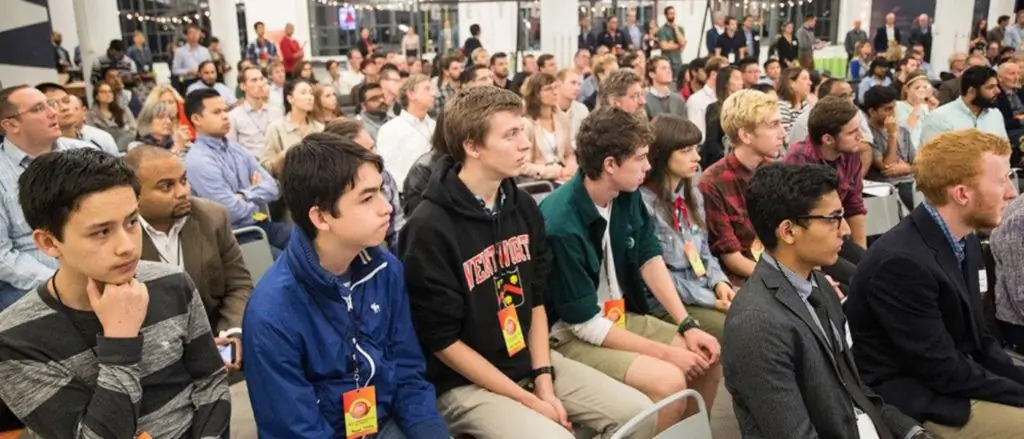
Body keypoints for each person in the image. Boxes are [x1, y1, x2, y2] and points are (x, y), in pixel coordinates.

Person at [397, 85, 654, 438]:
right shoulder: (429, 228)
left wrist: (543, 380)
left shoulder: (520, 206)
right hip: (463, 383)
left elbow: (534, 300)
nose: (524, 144)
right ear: (472, 146)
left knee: (640, 413)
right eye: (511, 134)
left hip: (528, 361)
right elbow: (443, 343)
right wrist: (528, 399)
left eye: (523, 130)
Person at [0, 147, 230, 438]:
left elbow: (210, 381)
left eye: (131, 222)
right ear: (48, 242)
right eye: (102, 232)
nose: (128, 247)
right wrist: (120, 342)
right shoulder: (16, 338)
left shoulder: (172, 282)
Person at [243, 133, 450, 439]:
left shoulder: (385, 269)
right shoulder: (271, 313)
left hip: (384, 421)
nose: (387, 208)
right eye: (367, 198)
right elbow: (295, 429)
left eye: (381, 191)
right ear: (322, 217)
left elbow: (408, 373)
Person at [541, 107, 723, 433]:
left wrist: (686, 323)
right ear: (610, 165)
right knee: (669, 380)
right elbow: (583, 325)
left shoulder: (625, 194)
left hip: (617, 316)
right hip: (570, 334)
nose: (648, 166)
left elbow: (648, 256)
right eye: (640, 158)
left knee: (706, 354)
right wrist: (667, 352)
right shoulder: (562, 222)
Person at [723, 161, 934, 439]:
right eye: (833, 218)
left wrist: (910, 432)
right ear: (788, 231)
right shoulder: (756, 325)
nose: (845, 230)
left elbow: (855, 392)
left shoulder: (818, 284)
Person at [846, 129, 1024, 438]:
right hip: (918, 398)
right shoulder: (902, 264)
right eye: (1001, 180)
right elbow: (941, 369)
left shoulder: (963, 239)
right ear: (962, 194)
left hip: (953, 379)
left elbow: (979, 342)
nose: (1011, 192)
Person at [124, 145, 251, 364]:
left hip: (215, 339)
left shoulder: (212, 217)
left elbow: (238, 284)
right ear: (133, 195)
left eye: (183, 180)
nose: (182, 192)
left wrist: (231, 332)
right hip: (153, 354)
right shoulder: (120, 237)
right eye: (166, 186)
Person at [0, 86, 100, 309]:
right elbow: (2, 255)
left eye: (50, 104)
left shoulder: (84, 153)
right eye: (38, 108)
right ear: (11, 124)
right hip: (32, 284)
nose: (53, 112)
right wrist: (61, 282)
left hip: (97, 262)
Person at [641, 115, 734, 339]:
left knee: (757, 314)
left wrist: (719, 282)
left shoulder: (692, 195)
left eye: (695, 148)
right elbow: (658, 274)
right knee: (736, 327)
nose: (697, 157)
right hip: (667, 301)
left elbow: (704, 252)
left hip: (702, 289)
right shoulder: (643, 203)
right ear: (661, 154)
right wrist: (710, 299)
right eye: (685, 151)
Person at [182, 88, 291, 253]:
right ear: (197, 119)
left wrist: (245, 194)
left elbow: (273, 189)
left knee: (311, 242)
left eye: (225, 110)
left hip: (259, 224)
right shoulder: (199, 160)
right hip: (234, 238)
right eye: (217, 112)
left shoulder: (235, 148)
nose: (226, 116)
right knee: (291, 264)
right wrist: (256, 195)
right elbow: (229, 212)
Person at [700, 90, 787, 285]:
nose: (783, 133)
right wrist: (787, 278)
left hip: (779, 266)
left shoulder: (776, 172)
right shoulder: (712, 183)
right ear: (746, 135)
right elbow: (733, 259)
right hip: (747, 280)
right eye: (774, 125)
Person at [324, 118, 402, 250]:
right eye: (364, 153)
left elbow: (397, 226)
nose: (375, 155)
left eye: (372, 147)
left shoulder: (384, 176)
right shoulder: (331, 188)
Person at [377, 74, 436, 191]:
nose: (434, 94)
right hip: (409, 194)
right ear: (411, 94)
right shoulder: (390, 129)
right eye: (427, 89)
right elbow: (389, 169)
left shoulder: (435, 125)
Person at [921, 66, 1008, 143]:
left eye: (997, 86)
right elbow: (930, 158)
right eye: (991, 87)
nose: (998, 91)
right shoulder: (939, 117)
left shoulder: (995, 114)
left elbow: (1004, 150)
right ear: (971, 91)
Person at [863, 86, 916, 208]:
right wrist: (892, 135)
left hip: (910, 182)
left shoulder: (903, 131)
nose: (892, 113)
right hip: (887, 188)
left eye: (893, 108)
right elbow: (887, 167)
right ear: (872, 111)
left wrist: (907, 169)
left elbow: (918, 163)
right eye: (887, 109)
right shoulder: (867, 135)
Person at [521, 73, 577, 182]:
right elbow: (523, 166)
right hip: (539, 181)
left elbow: (569, 153)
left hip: (564, 177)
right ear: (535, 94)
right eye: (548, 89)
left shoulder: (562, 119)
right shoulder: (526, 124)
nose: (555, 92)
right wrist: (556, 172)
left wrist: (570, 169)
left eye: (556, 87)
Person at [262, 79, 325, 176]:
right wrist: (281, 158)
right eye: (303, 93)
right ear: (290, 98)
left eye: (311, 93)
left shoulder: (320, 128)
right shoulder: (276, 128)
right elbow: (265, 168)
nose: (310, 97)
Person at [227, 66, 284, 158]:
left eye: (261, 79)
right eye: (254, 80)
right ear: (243, 86)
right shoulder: (233, 116)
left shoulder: (276, 112)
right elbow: (232, 151)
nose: (260, 84)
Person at [703, 66, 744, 168]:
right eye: (737, 78)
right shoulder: (715, 108)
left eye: (741, 78)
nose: (741, 82)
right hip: (721, 161)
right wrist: (728, 157)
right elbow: (711, 142)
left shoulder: (745, 107)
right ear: (726, 83)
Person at [895, 72, 937, 151]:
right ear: (906, 89)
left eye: (925, 87)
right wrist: (918, 104)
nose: (921, 91)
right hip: (908, 150)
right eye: (917, 88)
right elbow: (905, 131)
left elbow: (932, 129)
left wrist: (933, 110)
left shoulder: (925, 107)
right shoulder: (898, 106)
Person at [87, 81, 137, 147]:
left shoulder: (123, 109)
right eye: (103, 92)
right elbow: (93, 136)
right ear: (96, 96)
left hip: (127, 144)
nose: (108, 94)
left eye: (110, 91)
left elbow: (133, 129)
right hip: (105, 148)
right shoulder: (91, 115)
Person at [171, 24, 211, 91]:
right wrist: (189, 71)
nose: (194, 35)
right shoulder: (180, 52)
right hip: (189, 82)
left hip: (205, 81)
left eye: (197, 32)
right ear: (186, 35)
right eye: (191, 32)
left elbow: (210, 65)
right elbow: (175, 70)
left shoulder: (205, 50)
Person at [658, 6, 687, 79]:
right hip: (667, 62)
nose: (672, 15)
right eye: (670, 13)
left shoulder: (680, 28)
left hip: (678, 62)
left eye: (673, 13)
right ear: (666, 15)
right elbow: (664, 46)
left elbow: (683, 43)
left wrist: (675, 29)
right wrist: (678, 45)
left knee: (678, 83)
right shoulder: (662, 30)